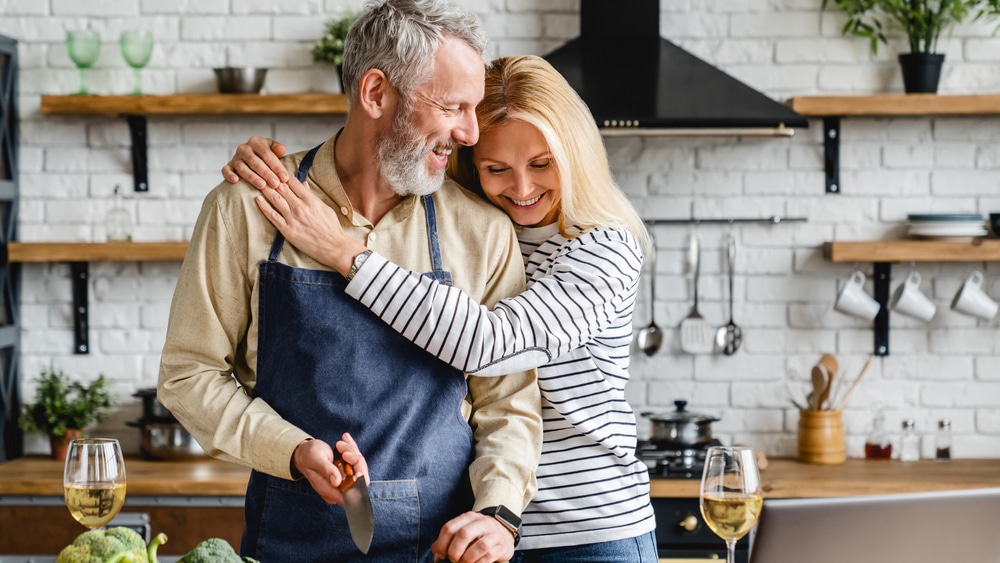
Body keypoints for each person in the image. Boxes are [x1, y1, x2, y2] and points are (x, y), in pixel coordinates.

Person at [223, 55, 658, 562]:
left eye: (542, 164)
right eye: (497, 168)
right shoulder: (484, 226)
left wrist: (342, 252)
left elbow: (487, 347)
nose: (521, 188)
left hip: (585, 532)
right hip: (479, 532)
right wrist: (276, 165)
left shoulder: (603, 248)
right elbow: (377, 150)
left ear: (576, 153)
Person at [158, 1, 543, 562]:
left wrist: (498, 512)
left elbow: (507, 401)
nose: (469, 132)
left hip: (441, 550)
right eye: (455, 106)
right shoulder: (244, 210)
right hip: (286, 542)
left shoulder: (480, 228)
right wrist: (290, 449)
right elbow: (189, 374)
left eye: (475, 108)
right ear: (376, 94)